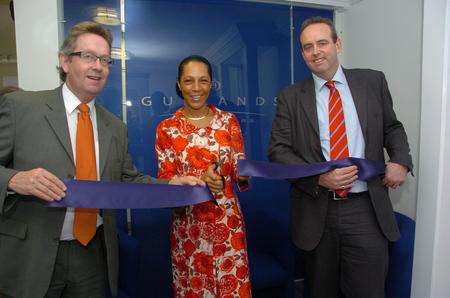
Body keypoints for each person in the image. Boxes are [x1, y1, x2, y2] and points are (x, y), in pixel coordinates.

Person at [0, 21, 203, 298]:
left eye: (105, 60)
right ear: (65, 62)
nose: (98, 66)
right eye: (88, 56)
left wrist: (170, 185)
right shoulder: (21, 107)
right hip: (32, 255)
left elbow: (127, 180)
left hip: (92, 255)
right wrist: (15, 179)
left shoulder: (115, 126)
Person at [268, 17, 413, 298]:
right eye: (307, 47)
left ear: (337, 44)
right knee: (322, 292)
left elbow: (392, 127)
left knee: (368, 291)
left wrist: (400, 160)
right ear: (302, 54)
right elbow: (278, 150)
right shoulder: (290, 97)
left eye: (322, 43)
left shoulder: (372, 81)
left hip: (366, 209)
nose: (316, 51)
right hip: (316, 211)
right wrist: (319, 178)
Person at [155, 55, 252, 297]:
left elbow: (241, 173)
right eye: (189, 81)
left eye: (203, 81)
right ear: (179, 84)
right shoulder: (166, 128)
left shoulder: (229, 122)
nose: (196, 88)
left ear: (211, 84)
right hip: (189, 227)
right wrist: (200, 180)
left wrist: (235, 174)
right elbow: (166, 181)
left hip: (227, 223)